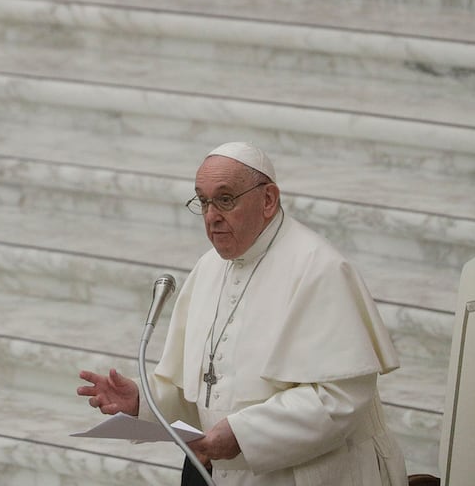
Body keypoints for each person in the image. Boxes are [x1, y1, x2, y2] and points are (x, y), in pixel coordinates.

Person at [77, 142, 407, 485]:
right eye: (203, 201)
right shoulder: (208, 268)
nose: (211, 216)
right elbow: (204, 392)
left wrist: (243, 434)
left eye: (225, 199)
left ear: (268, 200)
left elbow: (341, 397)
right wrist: (142, 402)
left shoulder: (319, 268)